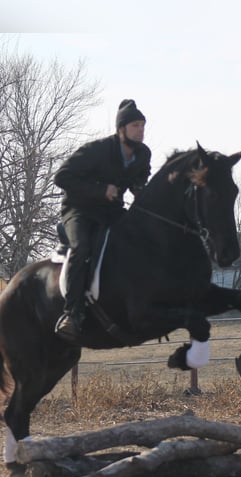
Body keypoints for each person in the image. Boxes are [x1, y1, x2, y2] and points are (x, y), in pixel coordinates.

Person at [53, 99, 152, 342]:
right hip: (78, 210)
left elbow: (139, 180)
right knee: (82, 247)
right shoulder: (96, 150)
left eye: (142, 125)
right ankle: (72, 314)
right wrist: (100, 190)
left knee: (139, 240)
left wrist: (142, 190)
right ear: (121, 130)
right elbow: (62, 177)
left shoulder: (143, 153)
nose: (141, 130)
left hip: (110, 212)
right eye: (135, 125)